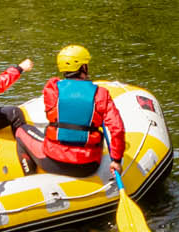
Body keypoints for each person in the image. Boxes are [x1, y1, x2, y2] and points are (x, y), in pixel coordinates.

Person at [23, 44, 128, 180]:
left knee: (22, 130)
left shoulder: (52, 89)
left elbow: (53, 106)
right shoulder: (101, 94)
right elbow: (117, 129)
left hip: (54, 161)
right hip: (88, 165)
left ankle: (30, 178)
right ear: (83, 67)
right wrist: (116, 161)